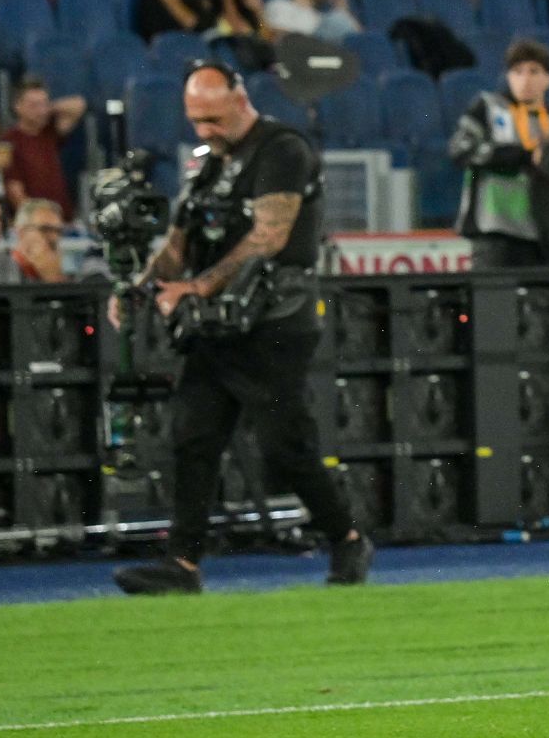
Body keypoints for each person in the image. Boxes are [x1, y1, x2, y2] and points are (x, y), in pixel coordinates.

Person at [109, 65, 372, 594]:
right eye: (194, 120)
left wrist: (196, 288)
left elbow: (269, 236)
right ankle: (181, 564)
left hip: (274, 319)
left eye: (212, 118)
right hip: (216, 326)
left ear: (240, 98)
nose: (203, 129)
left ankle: (346, 538)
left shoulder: (281, 149)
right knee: (193, 438)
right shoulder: (207, 165)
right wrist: (138, 287)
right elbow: (179, 243)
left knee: (284, 445)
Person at [447, 38, 549, 268]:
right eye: (517, 71)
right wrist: (521, 156)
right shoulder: (488, 108)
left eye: (534, 71)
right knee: (492, 301)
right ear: (508, 76)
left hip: (540, 236)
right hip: (493, 230)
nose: (525, 79)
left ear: (548, 79)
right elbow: (459, 150)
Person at [4, 77, 85, 214]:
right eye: (33, 105)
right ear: (17, 106)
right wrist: (36, 218)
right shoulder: (10, 141)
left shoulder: (49, 131)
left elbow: (79, 105)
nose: (41, 111)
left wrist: (49, 107)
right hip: (37, 220)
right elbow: (15, 190)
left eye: (44, 104)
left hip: (63, 216)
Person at [10, 197, 67, 282]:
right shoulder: (6, 271)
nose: (54, 237)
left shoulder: (60, 270)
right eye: (45, 229)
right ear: (21, 233)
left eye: (58, 231)